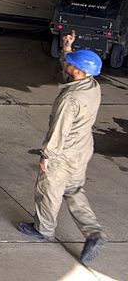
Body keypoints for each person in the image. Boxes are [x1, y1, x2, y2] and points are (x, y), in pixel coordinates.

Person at [17, 30, 106, 265]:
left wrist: (48, 155)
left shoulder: (70, 100)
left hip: (64, 152)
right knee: (74, 190)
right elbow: (70, 72)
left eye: (71, 63)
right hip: (82, 149)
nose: (68, 63)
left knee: (49, 190)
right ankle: (93, 233)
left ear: (78, 71)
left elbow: (59, 129)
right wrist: (67, 48)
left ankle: (43, 230)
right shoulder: (92, 85)